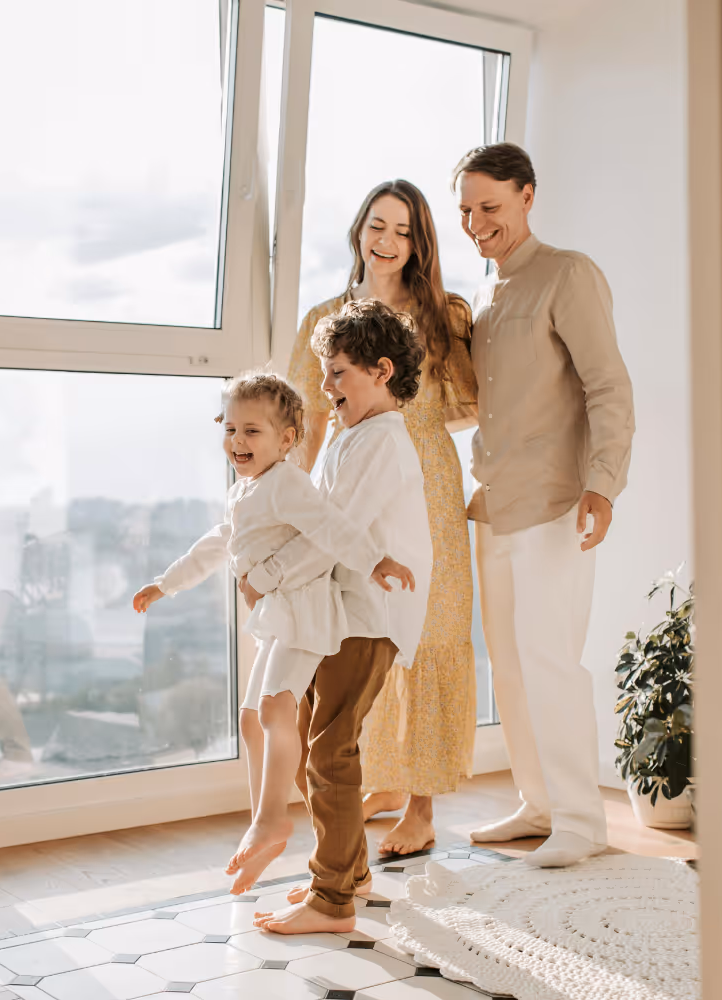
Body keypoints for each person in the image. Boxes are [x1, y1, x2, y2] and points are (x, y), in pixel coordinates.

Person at [132, 373, 414, 895]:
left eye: (252, 431)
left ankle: (272, 821)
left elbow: (331, 527)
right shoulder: (247, 489)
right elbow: (218, 543)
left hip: (305, 615)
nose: (238, 442)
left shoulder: (286, 483)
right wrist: (165, 584)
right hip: (277, 618)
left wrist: (374, 561)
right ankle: (265, 821)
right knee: (249, 719)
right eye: (231, 429)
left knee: (276, 711)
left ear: (286, 440)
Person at [454, 143, 635, 868]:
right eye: (465, 210)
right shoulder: (488, 303)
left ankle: (582, 822)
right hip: (492, 506)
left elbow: (608, 387)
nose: (475, 223)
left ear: (528, 196)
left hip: (557, 502)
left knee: (550, 659)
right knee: (510, 662)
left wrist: (604, 482)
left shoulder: (568, 275)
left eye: (489, 207)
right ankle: (538, 803)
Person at [287, 180, 478, 857]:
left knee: (429, 631)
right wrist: (300, 506)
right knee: (365, 632)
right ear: (358, 230)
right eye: (377, 225)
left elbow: (478, 402)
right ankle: (388, 781)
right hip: (354, 480)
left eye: (402, 231)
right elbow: (311, 421)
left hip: (426, 481)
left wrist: (429, 432)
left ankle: (421, 808)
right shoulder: (326, 317)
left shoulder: (444, 315)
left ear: (418, 244)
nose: (387, 242)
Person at [245, 299, 433, 934]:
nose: (325, 388)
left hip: (370, 615)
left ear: (381, 371)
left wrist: (266, 578)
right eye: (325, 375)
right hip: (339, 610)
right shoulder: (353, 437)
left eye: (338, 374)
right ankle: (344, 874)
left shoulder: (381, 442)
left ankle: (333, 899)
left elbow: (334, 533)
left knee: (330, 751)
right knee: (310, 745)